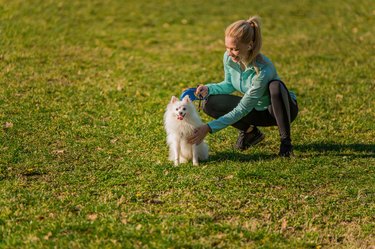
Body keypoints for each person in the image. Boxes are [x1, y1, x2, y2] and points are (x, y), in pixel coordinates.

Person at [188, 16, 298, 157]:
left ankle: (286, 143)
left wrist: (208, 128)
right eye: (227, 47)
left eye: (235, 49)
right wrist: (209, 89)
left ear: (250, 45)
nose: (229, 53)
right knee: (210, 103)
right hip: (255, 111)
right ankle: (251, 133)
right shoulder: (229, 58)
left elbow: (243, 108)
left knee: (275, 86)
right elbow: (229, 84)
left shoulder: (264, 69)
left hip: (277, 112)